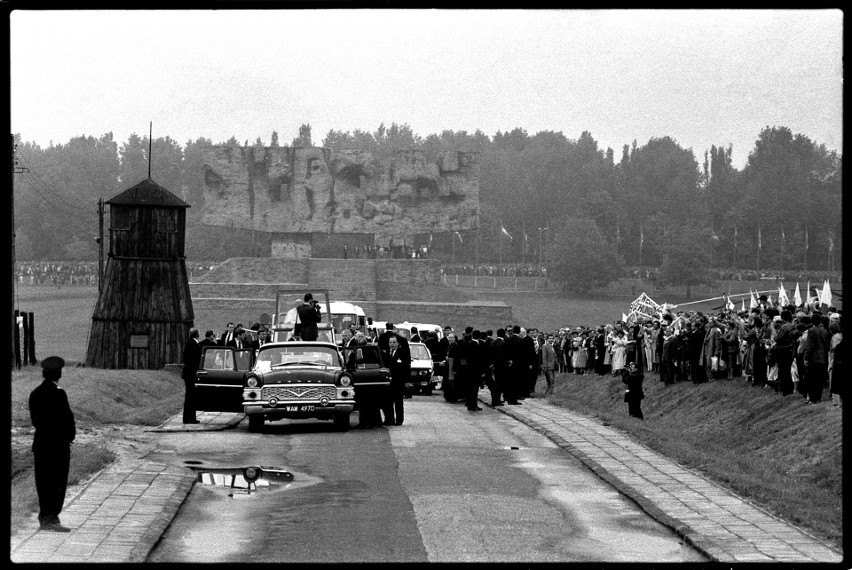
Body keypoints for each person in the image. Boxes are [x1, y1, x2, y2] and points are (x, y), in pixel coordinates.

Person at [29, 356, 76, 532]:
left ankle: (45, 516)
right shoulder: (59, 394)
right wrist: (68, 437)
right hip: (58, 445)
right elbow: (67, 420)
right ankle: (52, 517)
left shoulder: (35, 393)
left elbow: (36, 421)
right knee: (57, 482)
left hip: (41, 444)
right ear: (59, 374)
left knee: (43, 481)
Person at [382, 335, 410, 425]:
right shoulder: (385, 353)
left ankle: (399, 420)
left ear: (397, 343)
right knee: (388, 401)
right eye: (390, 342)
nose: (392, 344)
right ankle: (389, 419)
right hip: (388, 381)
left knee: (398, 402)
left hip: (399, 381)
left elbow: (406, 368)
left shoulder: (403, 353)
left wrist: (407, 381)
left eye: (394, 342)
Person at [804, 313, 831, 404]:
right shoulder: (825, 331)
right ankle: (818, 397)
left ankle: (813, 398)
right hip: (823, 357)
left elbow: (809, 346)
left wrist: (806, 357)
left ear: (812, 321)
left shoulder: (811, 331)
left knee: (812, 379)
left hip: (813, 357)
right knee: (819, 379)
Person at [181, 328, 202, 424]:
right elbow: (194, 359)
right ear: (197, 334)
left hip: (188, 372)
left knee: (190, 395)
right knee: (190, 395)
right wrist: (196, 370)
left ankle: (188, 418)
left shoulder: (190, 343)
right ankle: (189, 418)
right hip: (190, 373)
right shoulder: (193, 344)